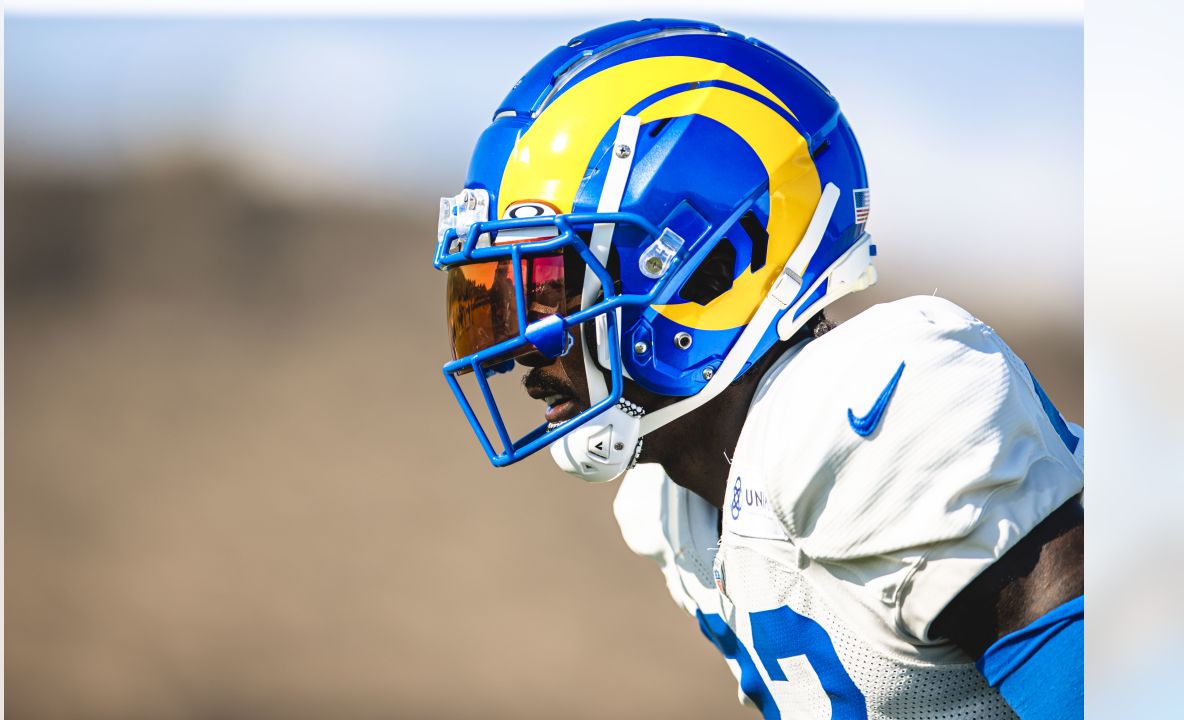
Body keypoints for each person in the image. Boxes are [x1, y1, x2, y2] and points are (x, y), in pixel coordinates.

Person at [431, 19, 1082, 719]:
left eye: (544, 290)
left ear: (709, 267)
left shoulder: (876, 416)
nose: (517, 351)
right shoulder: (676, 509)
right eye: (491, 300)